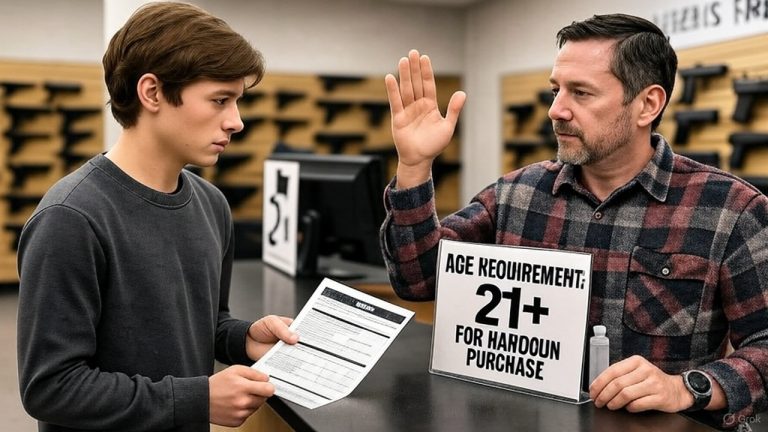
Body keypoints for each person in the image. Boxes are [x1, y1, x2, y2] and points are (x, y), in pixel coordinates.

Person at [381, 13, 768, 429]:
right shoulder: (517, 193)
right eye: (555, 89)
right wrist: (414, 166)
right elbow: (417, 279)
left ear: (647, 104)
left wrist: (686, 387)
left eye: (580, 93)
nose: (556, 110)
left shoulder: (732, 210)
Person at [16, 2, 298, 430]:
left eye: (237, 101)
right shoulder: (70, 218)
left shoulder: (211, 205)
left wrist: (242, 337)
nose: (237, 122)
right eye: (220, 100)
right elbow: (50, 386)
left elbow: (203, 323)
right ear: (151, 93)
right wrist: (194, 399)